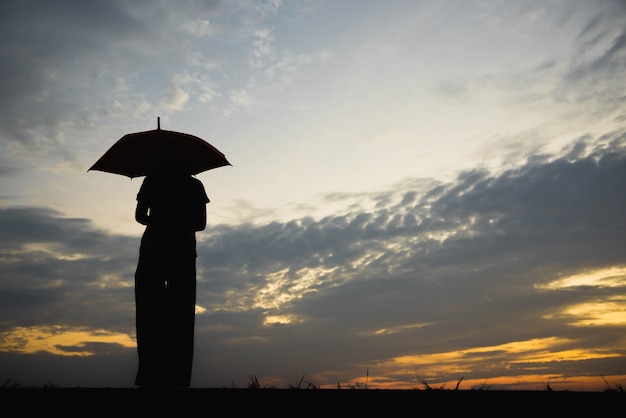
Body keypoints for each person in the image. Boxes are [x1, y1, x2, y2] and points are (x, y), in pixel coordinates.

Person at [133, 173, 209, 388]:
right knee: (181, 313)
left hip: (153, 248)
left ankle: (149, 374)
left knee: (149, 310)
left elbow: (140, 216)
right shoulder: (195, 185)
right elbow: (201, 224)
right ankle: (177, 375)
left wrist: (160, 219)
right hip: (182, 250)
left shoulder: (152, 180)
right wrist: (180, 222)